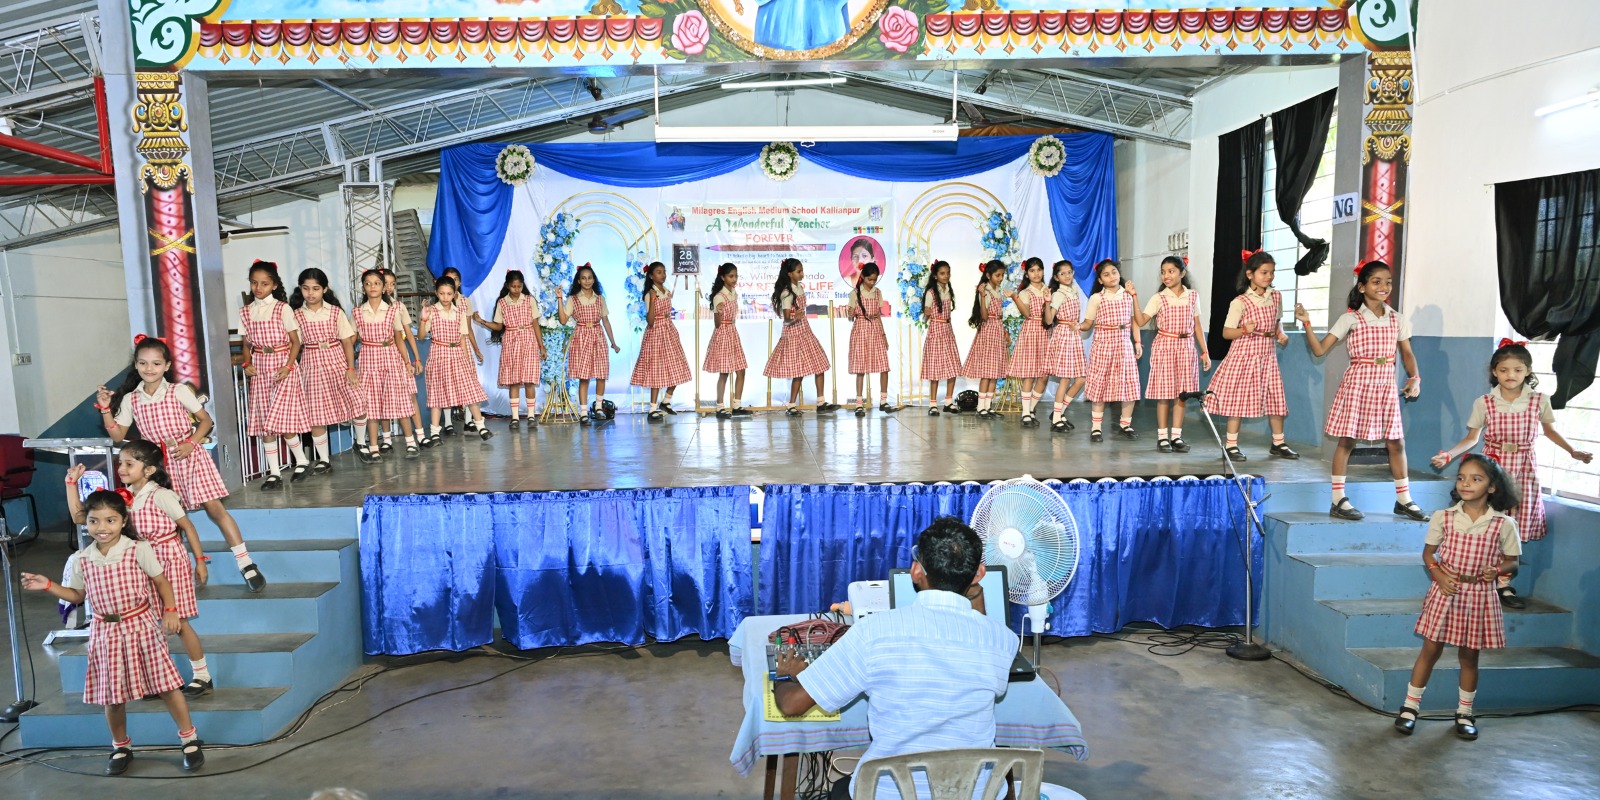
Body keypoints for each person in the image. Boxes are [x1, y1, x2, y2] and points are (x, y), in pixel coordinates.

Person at [771, 517, 1017, 800]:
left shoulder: (874, 631)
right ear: (979, 574)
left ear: (916, 571)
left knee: (840, 789)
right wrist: (974, 591)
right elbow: (981, 627)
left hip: (888, 793)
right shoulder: (1003, 640)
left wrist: (786, 673)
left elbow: (791, 704)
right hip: (975, 794)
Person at [21, 490, 205, 775]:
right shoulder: (83, 558)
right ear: (86, 522)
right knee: (112, 695)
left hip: (140, 626)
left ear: (123, 521)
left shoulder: (138, 549)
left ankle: (189, 739)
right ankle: (121, 746)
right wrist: (48, 586)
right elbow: (77, 595)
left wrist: (170, 610)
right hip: (104, 632)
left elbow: (161, 582)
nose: (102, 527)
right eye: (94, 521)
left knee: (166, 686)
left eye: (110, 520)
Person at [96, 336, 267, 592]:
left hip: (188, 456)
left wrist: (191, 443)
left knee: (215, 509)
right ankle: (177, 572)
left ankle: (246, 563)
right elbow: (118, 435)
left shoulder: (178, 391)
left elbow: (206, 421)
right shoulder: (132, 399)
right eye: (143, 363)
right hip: (157, 465)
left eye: (156, 363)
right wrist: (105, 409)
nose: (149, 368)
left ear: (166, 366)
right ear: (136, 365)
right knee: (170, 519)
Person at [1431, 340, 1592, 608]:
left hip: (1524, 468)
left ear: (1528, 371)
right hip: (1493, 468)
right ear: (1494, 372)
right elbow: (1472, 438)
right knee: (1489, 522)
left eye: (1518, 370)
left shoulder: (1539, 400)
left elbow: (1551, 432)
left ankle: (1503, 584)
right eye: (1504, 370)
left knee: (1512, 527)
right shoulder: (1485, 402)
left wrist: (1572, 451)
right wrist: (1449, 454)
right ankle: (1476, 577)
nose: (1511, 375)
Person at [69, 445, 213, 697]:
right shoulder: (123, 496)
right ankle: (158, 680)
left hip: (168, 561)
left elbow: (187, 526)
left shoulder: (161, 495)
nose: (121, 469)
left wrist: (199, 560)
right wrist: (71, 484)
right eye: (120, 463)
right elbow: (80, 517)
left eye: (129, 464)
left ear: (149, 470)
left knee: (178, 620)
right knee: (149, 622)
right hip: (140, 562)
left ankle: (202, 675)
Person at [1394, 454, 1521, 742]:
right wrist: (1438, 575)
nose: (1466, 483)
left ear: (1492, 487)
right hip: (1445, 590)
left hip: (1479, 595)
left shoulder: (1503, 524)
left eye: (1476, 479)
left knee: (1469, 656)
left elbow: (1512, 561)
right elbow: (1428, 554)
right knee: (1430, 650)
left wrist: (1497, 570)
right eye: (1461, 477)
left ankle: (1464, 713)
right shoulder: (1444, 517)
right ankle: (1410, 708)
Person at [1296, 261, 1426, 521]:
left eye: (1388, 281)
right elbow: (1320, 350)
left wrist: (1415, 378)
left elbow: (1407, 353)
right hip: (1358, 383)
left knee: (1396, 442)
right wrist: (1307, 323)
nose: (1384, 286)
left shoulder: (1398, 319)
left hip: (1385, 385)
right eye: (1376, 281)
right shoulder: (1350, 319)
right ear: (1362, 287)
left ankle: (1404, 500)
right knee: (1347, 441)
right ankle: (1338, 500)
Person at [1205, 250, 1295, 461]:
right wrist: (1244, 330)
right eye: (1264, 272)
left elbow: (1277, 322)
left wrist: (1281, 334)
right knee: (1238, 399)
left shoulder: (1276, 296)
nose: (1269, 276)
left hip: (1267, 356)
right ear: (1250, 274)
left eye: (1272, 272)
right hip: (1244, 356)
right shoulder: (1240, 302)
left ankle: (1278, 443)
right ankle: (1231, 446)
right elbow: (1227, 332)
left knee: (1275, 398)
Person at [238, 260, 312, 489]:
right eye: (254, 283)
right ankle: (274, 472)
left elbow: (295, 342)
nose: (258, 288)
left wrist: (288, 366)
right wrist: (247, 363)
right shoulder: (246, 312)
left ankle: (301, 461)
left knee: (282, 418)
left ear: (274, 285)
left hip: (282, 366)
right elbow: (245, 344)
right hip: (260, 367)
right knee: (265, 422)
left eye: (264, 283)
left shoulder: (282, 308)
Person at [1132, 256, 1209, 452]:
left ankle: (1176, 437)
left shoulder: (1193, 296)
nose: (1166, 275)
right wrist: (1134, 297)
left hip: (1186, 348)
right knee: (1164, 394)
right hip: (1165, 347)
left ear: (1182, 273)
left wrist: (1205, 351)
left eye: (1171, 271)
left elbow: (1197, 326)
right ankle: (1162, 438)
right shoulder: (1159, 298)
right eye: (1163, 272)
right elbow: (1140, 321)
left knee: (1182, 395)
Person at [291, 268, 363, 473]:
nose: (310, 293)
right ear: (300, 289)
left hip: (336, 360)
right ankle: (324, 459)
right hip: (311, 363)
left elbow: (347, 342)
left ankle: (360, 443)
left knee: (357, 401)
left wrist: (350, 367)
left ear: (324, 289)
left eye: (315, 288)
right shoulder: (296, 315)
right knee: (316, 413)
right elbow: (294, 344)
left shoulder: (335, 312)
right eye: (306, 288)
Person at [353, 268, 422, 460]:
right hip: (368, 360)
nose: (372, 287)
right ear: (363, 288)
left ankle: (411, 442)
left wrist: (407, 362)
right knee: (371, 404)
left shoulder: (393, 311)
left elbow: (399, 339)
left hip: (391, 357)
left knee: (400, 400)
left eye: (377, 283)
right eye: (368, 284)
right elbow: (350, 340)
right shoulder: (357, 312)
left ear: (383, 287)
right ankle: (374, 447)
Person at [765, 257, 840, 416]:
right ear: (790, 274)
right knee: (798, 372)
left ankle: (821, 402)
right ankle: (791, 405)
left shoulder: (799, 287)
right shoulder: (787, 293)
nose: (802, 274)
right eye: (798, 271)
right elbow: (786, 319)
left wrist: (800, 318)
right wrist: (795, 318)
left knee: (819, 364)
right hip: (793, 334)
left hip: (805, 330)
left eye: (802, 271)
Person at [420, 276, 492, 441]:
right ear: (436, 293)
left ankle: (480, 427)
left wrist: (467, 360)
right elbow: (422, 336)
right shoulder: (431, 311)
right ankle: (435, 433)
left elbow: (462, 338)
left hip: (457, 353)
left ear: (454, 294)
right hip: (438, 355)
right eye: (442, 293)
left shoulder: (459, 312)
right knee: (438, 394)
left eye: (449, 294)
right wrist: (423, 319)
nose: (445, 297)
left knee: (470, 390)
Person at [474, 269, 546, 429]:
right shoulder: (502, 303)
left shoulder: (529, 300)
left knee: (529, 380)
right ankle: (514, 417)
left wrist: (541, 346)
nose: (516, 289)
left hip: (528, 341)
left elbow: (535, 324)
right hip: (511, 343)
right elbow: (499, 326)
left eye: (519, 286)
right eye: (513, 286)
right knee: (513, 382)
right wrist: (482, 321)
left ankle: (531, 415)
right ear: (507, 285)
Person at [1079, 258, 1142, 442]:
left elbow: (1134, 321)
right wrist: (1078, 326)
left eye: (1114, 272)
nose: (1112, 276)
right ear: (1100, 280)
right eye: (1106, 274)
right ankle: (1096, 428)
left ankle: (1125, 425)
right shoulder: (1096, 298)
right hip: (1103, 345)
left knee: (1128, 384)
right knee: (1100, 385)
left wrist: (1138, 342)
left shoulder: (1128, 295)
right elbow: (1088, 323)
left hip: (1123, 344)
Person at [559, 263, 623, 423]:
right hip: (581, 337)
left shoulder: (600, 298)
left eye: (589, 278)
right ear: (578, 281)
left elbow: (605, 321)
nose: (587, 281)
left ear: (594, 279)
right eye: (583, 278)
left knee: (601, 374)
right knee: (584, 376)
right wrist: (559, 299)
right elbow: (563, 319)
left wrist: (613, 342)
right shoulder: (573, 299)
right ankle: (583, 412)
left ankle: (599, 407)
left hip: (598, 336)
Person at [630, 261, 694, 421]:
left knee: (677, 366)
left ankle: (666, 400)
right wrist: (652, 300)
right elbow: (650, 320)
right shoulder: (650, 294)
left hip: (668, 330)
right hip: (656, 333)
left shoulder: (666, 291)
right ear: (651, 276)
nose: (663, 275)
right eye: (659, 272)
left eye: (664, 272)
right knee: (656, 370)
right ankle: (652, 409)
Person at [380, 270, 430, 452]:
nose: (389, 287)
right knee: (382, 396)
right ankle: (386, 439)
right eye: (385, 283)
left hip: (399, 355)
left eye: (393, 284)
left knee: (410, 395)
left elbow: (408, 334)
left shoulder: (399, 306)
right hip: (377, 356)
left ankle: (420, 435)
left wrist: (416, 358)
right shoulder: (368, 307)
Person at [1007, 257, 1055, 427]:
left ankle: (1030, 409)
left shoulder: (1049, 290)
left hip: (1046, 333)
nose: (1036, 274)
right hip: (1031, 333)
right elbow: (1027, 314)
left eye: (1039, 270)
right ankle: (1026, 413)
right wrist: (1015, 297)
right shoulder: (1025, 293)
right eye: (1032, 270)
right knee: (1029, 374)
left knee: (1044, 376)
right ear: (1027, 274)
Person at [846, 262, 897, 416]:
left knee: (884, 366)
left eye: (875, 279)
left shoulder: (877, 292)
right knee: (860, 369)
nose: (872, 282)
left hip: (875, 330)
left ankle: (883, 401)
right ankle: (859, 404)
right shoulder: (855, 293)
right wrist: (850, 313)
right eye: (870, 279)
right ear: (863, 276)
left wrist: (884, 335)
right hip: (861, 330)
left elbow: (878, 316)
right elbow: (850, 317)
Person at [962, 260, 1010, 419]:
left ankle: (988, 406)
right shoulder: (986, 291)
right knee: (987, 373)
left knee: (994, 373)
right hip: (988, 332)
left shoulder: (998, 291)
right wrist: (982, 296)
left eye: (1002, 275)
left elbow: (999, 316)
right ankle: (981, 407)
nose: (1000, 278)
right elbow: (984, 316)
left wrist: (1004, 332)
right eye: (997, 275)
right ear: (989, 275)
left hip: (997, 331)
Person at [704, 262, 753, 418]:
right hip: (723, 334)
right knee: (724, 372)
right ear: (723, 277)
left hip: (732, 332)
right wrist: (718, 312)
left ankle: (737, 405)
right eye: (731, 276)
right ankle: (720, 407)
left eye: (736, 276)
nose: (734, 279)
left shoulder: (733, 293)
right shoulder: (719, 296)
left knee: (741, 370)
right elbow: (717, 324)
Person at [1044, 259, 1087, 433]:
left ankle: (1059, 412)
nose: (1067, 276)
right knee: (1065, 379)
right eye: (1062, 273)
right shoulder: (1059, 294)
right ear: (1056, 277)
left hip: (1074, 336)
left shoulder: (1073, 291)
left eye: (1069, 272)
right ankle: (1056, 418)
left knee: (1081, 378)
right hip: (1063, 336)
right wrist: (1047, 302)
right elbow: (1049, 320)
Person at [439, 266, 481, 435]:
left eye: (455, 279)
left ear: (460, 282)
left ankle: (469, 420)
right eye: (449, 279)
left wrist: (476, 349)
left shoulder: (465, 301)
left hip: (462, 347)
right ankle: (448, 423)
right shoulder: (438, 304)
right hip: (445, 350)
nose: (453, 282)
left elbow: (468, 329)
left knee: (468, 383)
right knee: (446, 384)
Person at [918, 260, 962, 415]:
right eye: (942, 273)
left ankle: (949, 401)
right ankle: (933, 404)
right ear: (935, 275)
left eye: (948, 273)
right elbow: (926, 312)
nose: (946, 276)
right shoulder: (931, 292)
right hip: (936, 330)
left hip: (947, 330)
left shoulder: (948, 290)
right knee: (935, 368)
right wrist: (927, 312)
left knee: (953, 366)